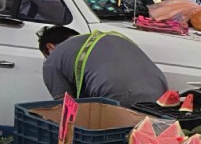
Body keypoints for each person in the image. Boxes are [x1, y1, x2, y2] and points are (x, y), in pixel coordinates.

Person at [37, 26, 168, 107]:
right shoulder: (107, 38)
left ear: (50, 47)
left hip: (117, 97)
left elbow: (65, 106)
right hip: (160, 91)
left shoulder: (52, 61)